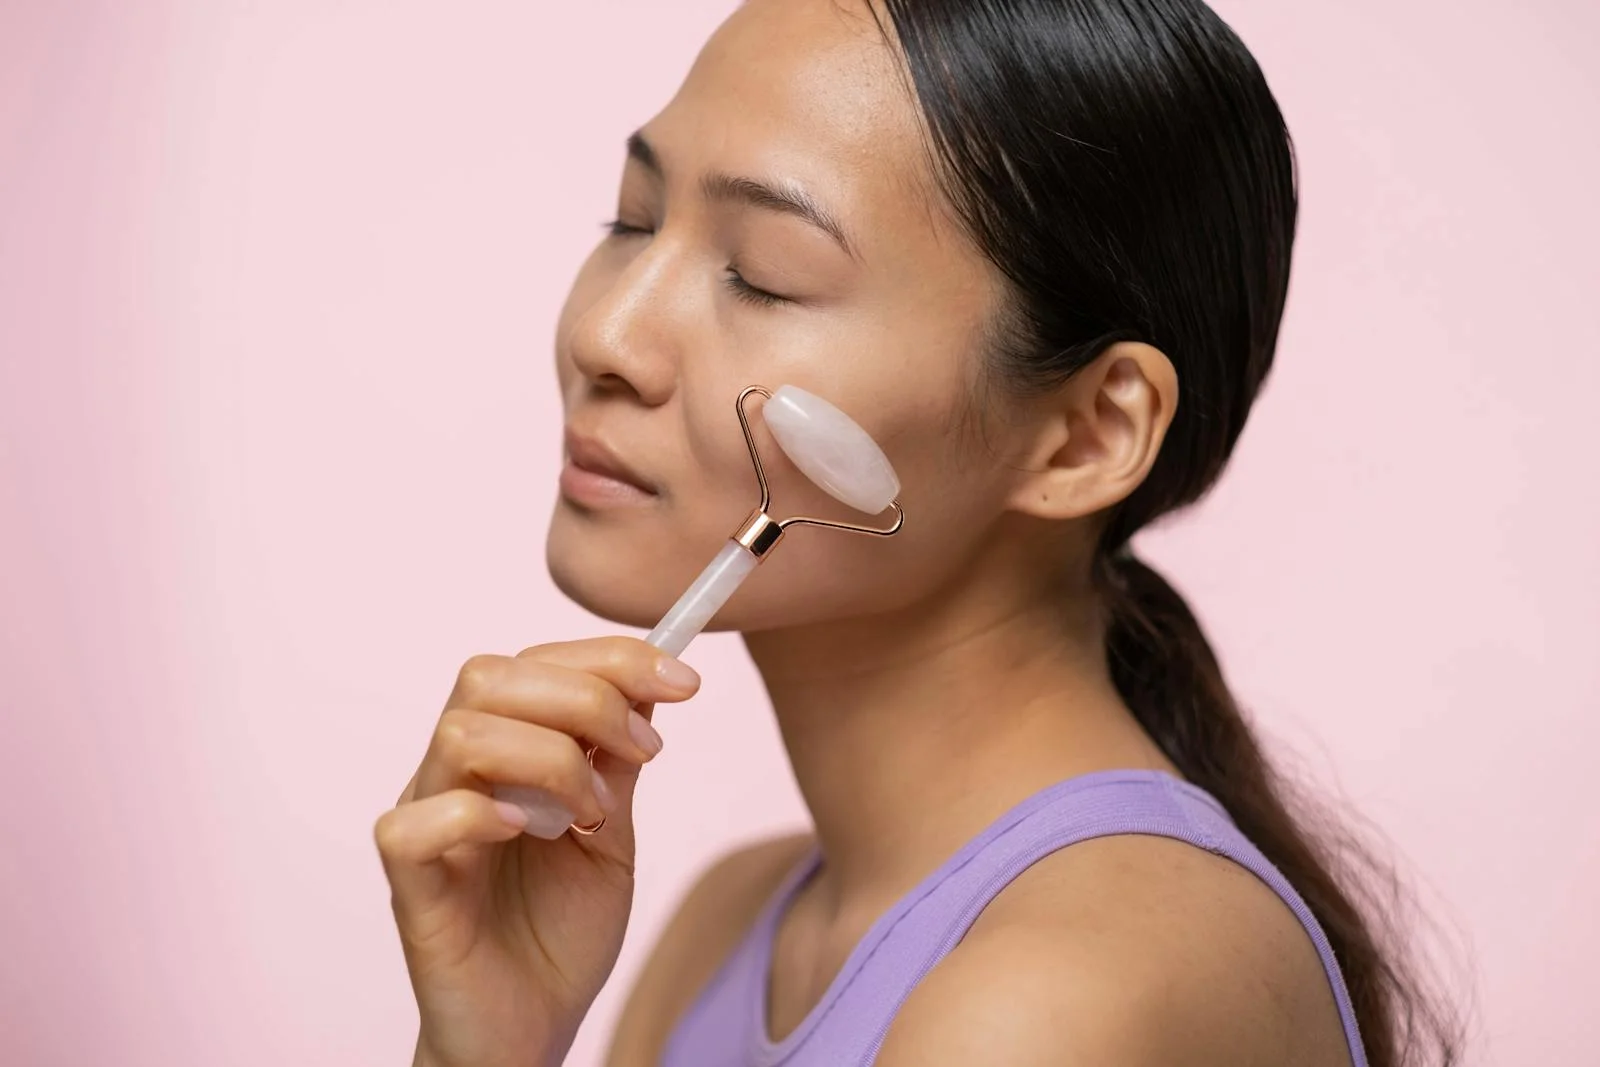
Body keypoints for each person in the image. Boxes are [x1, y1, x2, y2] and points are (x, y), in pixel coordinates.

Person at [374, 1, 1458, 1064]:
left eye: (764, 274)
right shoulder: (724, 928)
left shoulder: (1059, 1000)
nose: (607, 333)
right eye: (632, 221)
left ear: (1086, 432)